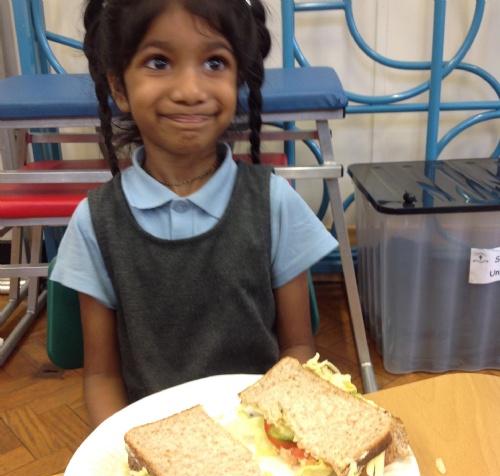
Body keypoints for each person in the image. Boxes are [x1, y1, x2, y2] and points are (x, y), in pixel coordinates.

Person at [51, 0, 338, 428]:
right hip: (153, 443)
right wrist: (123, 448)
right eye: (159, 61)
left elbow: (297, 349)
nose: (190, 89)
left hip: (260, 435)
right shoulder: (96, 223)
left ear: (238, 78)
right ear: (119, 88)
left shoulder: (274, 202)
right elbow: (101, 375)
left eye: (215, 62)